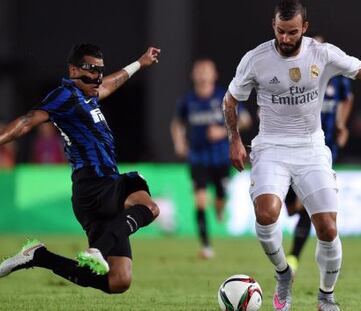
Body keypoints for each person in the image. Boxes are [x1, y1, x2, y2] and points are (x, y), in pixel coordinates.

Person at [222, 1, 361, 310]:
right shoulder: (255, 60)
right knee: (266, 213)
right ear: (273, 25)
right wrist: (234, 140)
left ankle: (325, 296)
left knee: (328, 229)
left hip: (311, 148)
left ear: (304, 29)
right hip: (271, 146)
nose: (285, 38)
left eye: (292, 32)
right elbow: (230, 100)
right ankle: (283, 274)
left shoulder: (322, 54)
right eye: (281, 31)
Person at [0, 43, 161, 294]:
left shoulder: (90, 94)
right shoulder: (64, 95)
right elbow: (26, 121)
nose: (97, 76)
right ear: (73, 70)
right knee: (148, 205)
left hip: (95, 191)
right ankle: (97, 250)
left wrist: (139, 63)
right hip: (96, 183)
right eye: (91, 69)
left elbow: (110, 83)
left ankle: (39, 257)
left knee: (119, 281)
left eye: (99, 70)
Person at [285, 33, 355, 274]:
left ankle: (293, 258)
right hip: (293, 146)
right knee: (293, 207)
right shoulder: (295, 76)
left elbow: (347, 100)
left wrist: (341, 124)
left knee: (308, 204)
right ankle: (291, 205)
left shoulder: (337, 78)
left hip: (323, 149)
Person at [170, 58, 251, 259]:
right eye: (199, 71)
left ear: (214, 75)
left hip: (221, 157)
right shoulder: (188, 100)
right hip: (197, 157)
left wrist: (223, 132)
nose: (202, 74)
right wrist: (179, 143)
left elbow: (246, 120)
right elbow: (177, 124)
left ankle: (221, 203)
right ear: (193, 75)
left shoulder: (224, 97)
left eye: (206, 71)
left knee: (220, 198)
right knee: (200, 200)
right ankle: (206, 246)